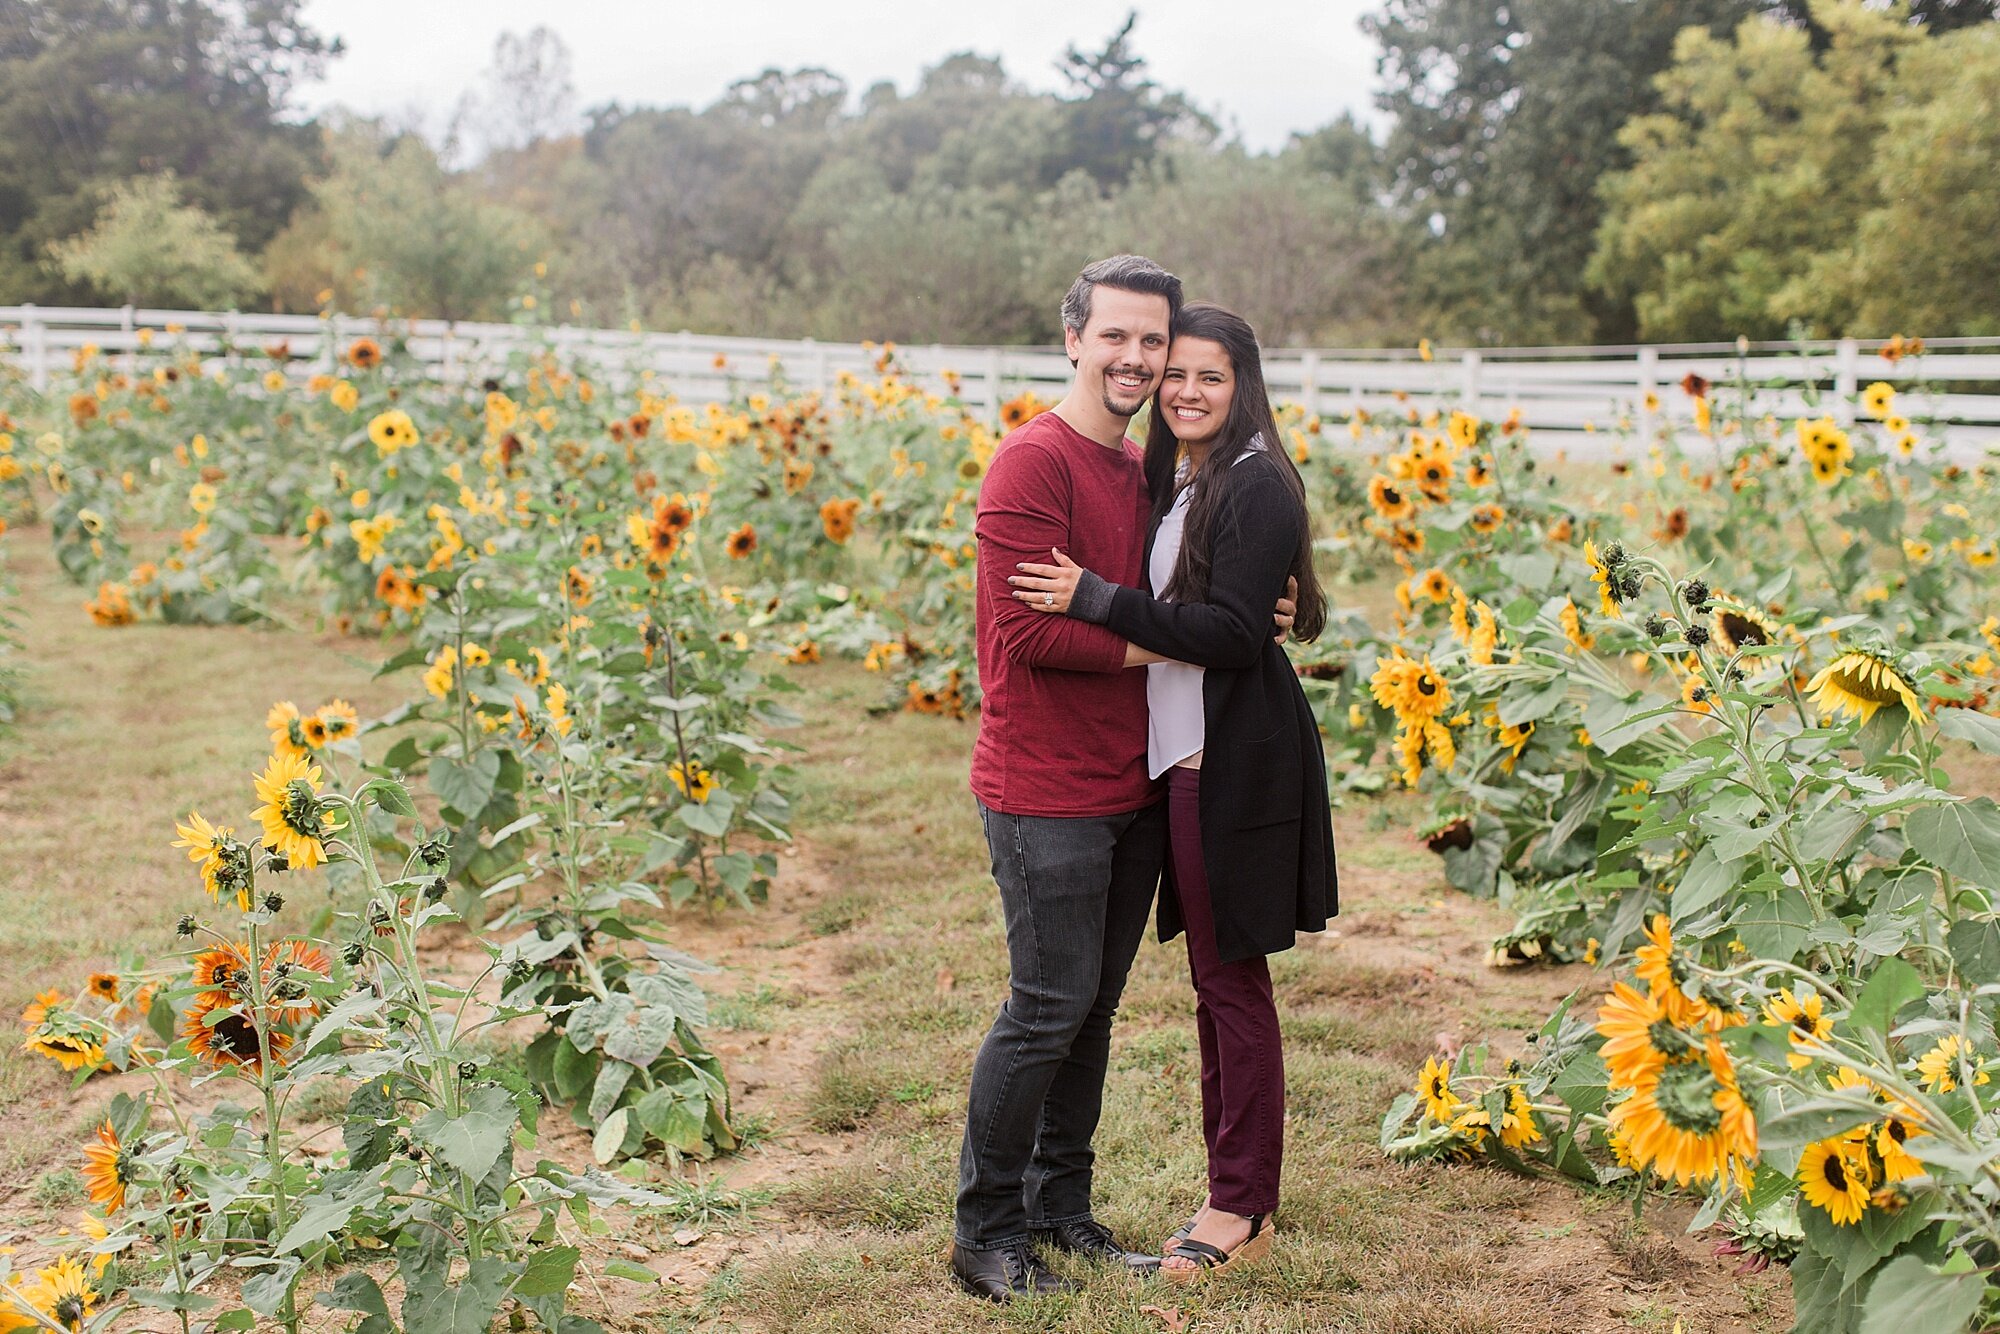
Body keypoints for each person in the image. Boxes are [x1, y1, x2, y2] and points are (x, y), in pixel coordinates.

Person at [953, 258, 1295, 1302]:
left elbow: (1205, 586)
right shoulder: (1031, 462)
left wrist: (1247, 625)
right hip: (1040, 784)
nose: (1139, 361)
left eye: (1153, 342)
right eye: (1118, 338)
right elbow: (1023, 632)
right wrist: (1194, 643)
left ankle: (1062, 1212)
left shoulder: (1147, 467)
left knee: (1092, 1010)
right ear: (1072, 338)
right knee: (1043, 1007)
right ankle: (986, 1231)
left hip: (1130, 784)